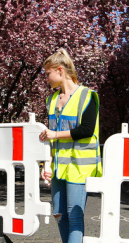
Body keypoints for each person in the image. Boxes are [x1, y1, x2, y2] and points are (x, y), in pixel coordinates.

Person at [39, 49, 102, 243]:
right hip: (59, 168)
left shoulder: (88, 95)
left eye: (48, 73)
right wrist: (47, 165)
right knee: (58, 214)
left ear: (59, 70)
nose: (46, 78)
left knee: (74, 217)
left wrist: (55, 134)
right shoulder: (51, 100)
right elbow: (50, 139)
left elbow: (86, 130)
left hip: (80, 168)